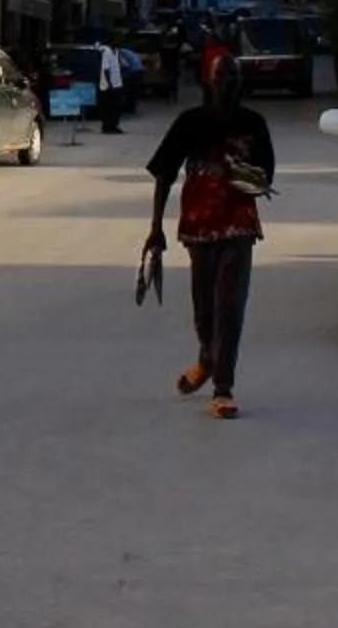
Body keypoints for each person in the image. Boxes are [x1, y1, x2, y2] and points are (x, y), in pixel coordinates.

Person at [144, 54, 277, 420]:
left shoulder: (254, 124)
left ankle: (223, 387)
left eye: (233, 76)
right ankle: (207, 356)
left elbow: (266, 176)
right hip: (199, 227)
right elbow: (164, 174)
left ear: (240, 82)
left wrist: (244, 176)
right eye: (221, 76)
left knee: (229, 306)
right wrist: (155, 229)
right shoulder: (191, 122)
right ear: (209, 80)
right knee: (204, 309)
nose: (227, 82)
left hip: (239, 226)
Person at [95, 33, 127, 134]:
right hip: (109, 86)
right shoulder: (107, 52)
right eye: (118, 40)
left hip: (117, 83)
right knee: (109, 107)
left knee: (117, 106)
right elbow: (106, 70)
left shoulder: (116, 52)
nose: (120, 42)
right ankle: (107, 126)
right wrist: (110, 84)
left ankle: (113, 125)